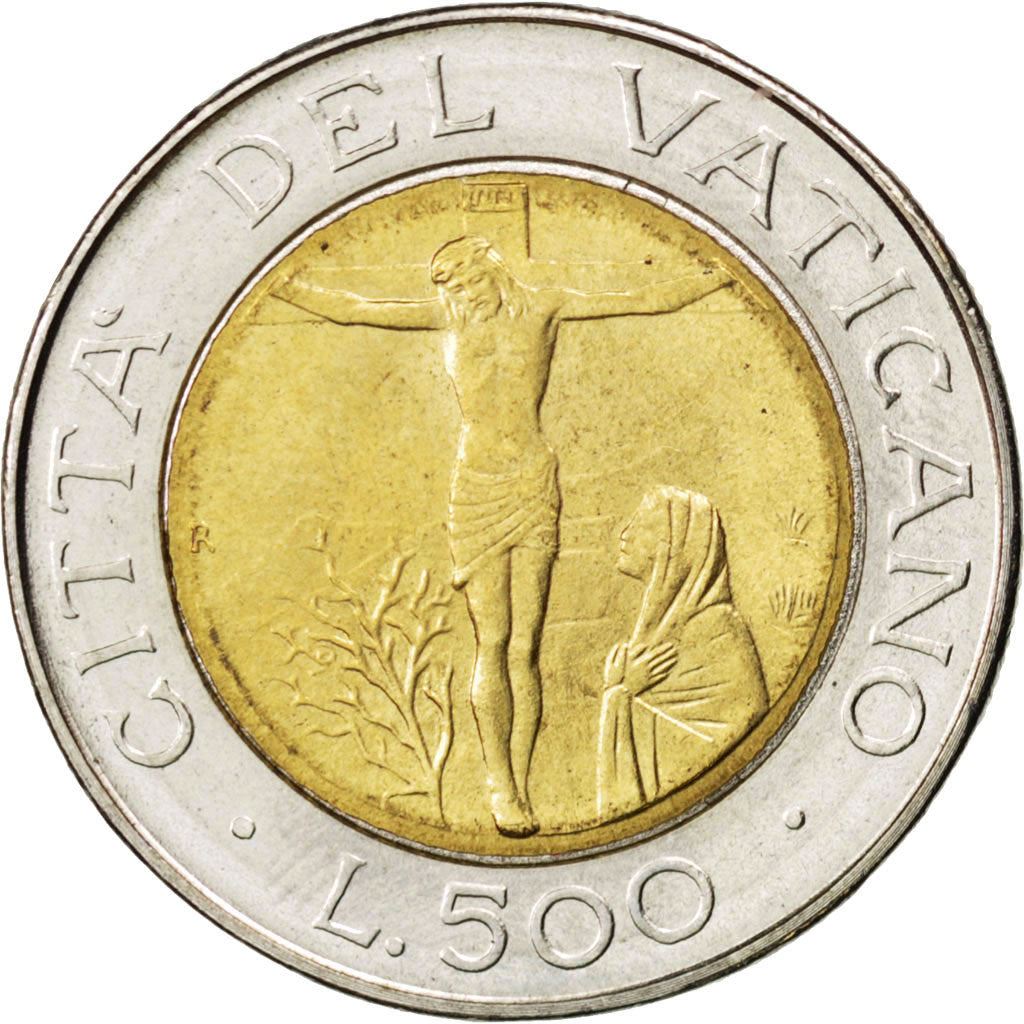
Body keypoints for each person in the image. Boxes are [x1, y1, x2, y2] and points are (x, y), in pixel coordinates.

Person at [274, 236, 733, 837]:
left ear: (491, 272)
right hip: (477, 487)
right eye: (454, 289)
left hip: (533, 480)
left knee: (525, 646)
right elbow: (355, 308)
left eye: (469, 283)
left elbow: (639, 298)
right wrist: (283, 285)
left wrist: (715, 277)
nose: (465, 296)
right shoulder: (446, 318)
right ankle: (499, 784)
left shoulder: (544, 308)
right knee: (492, 640)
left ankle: (521, 779)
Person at [597, 486, 768, 820]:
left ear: (675, 547)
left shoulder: (718, 632)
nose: (625, 533)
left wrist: (624, 694)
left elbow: (733, 733)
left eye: (640, 524)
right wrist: (618, 689)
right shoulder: (655, 633)